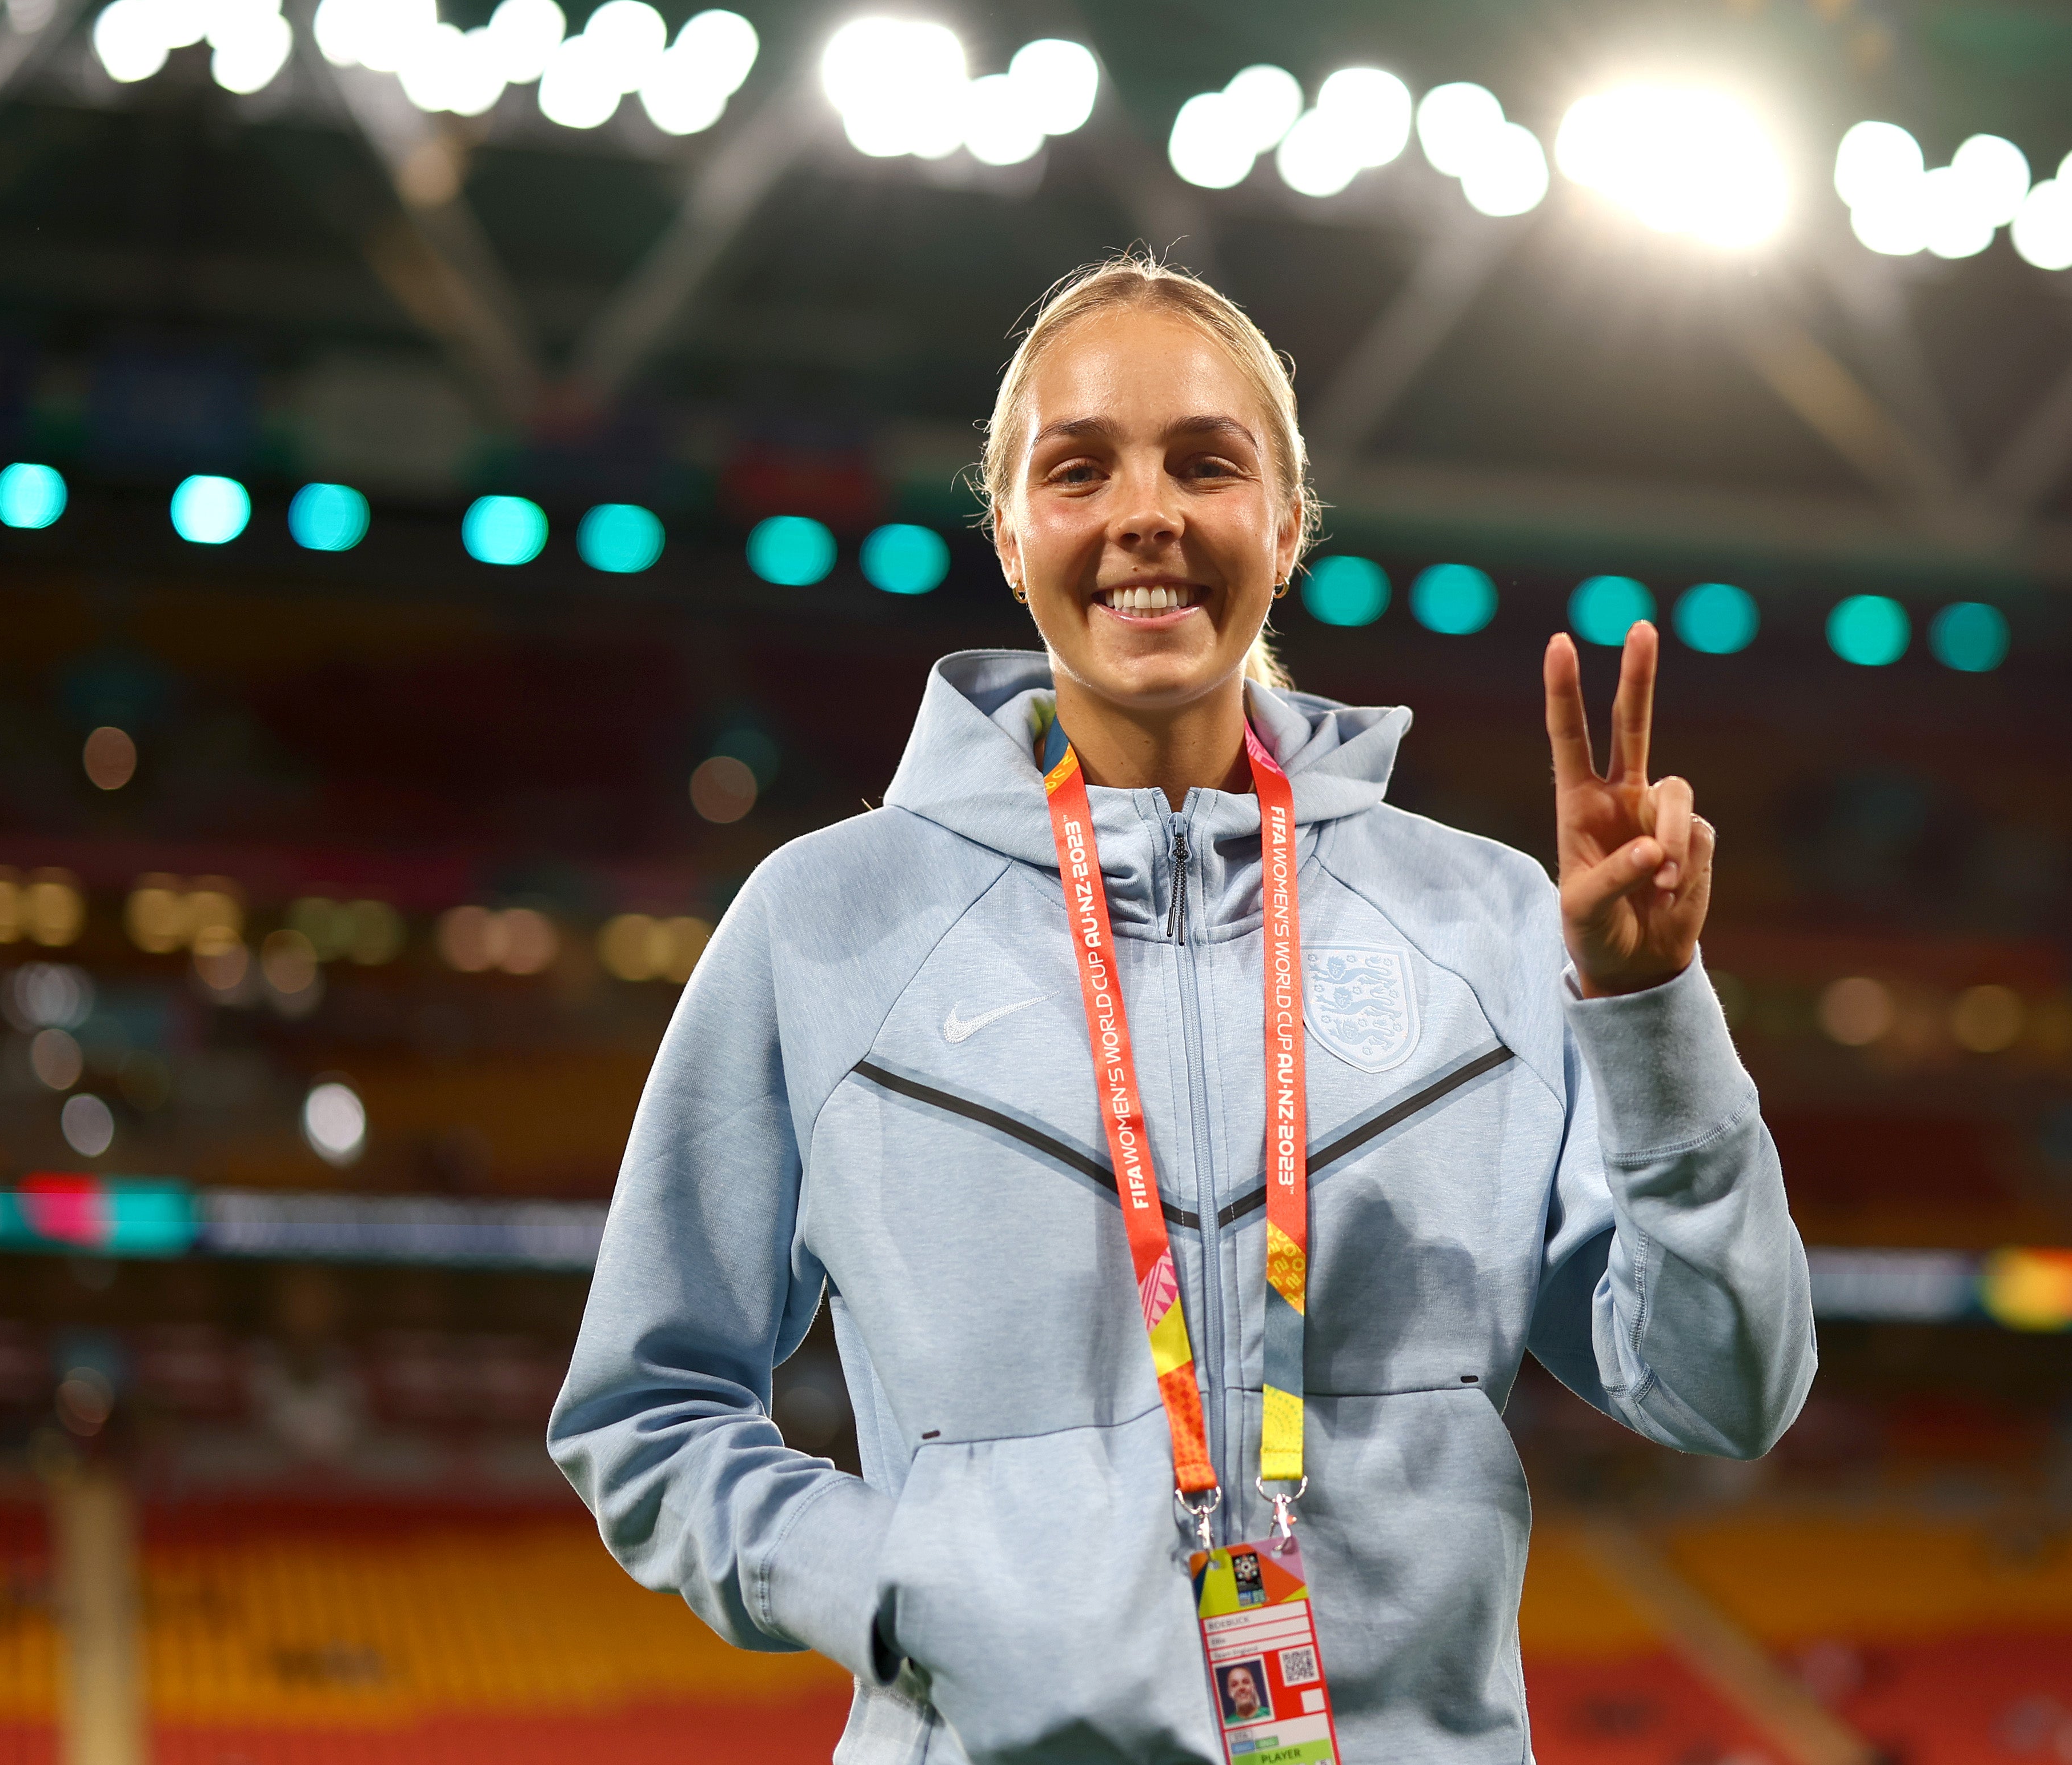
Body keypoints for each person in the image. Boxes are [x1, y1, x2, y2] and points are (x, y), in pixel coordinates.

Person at [549, 253, 1815, 1764]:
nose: (1146, 510)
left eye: (1205, 462)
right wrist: (897, 1582)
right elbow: (643, 1408)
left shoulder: (1482, 921)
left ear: (1285, 524)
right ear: (1009, 534)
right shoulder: (826, 921)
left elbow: (1725, 1389)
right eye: (1078, 468)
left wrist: (1650, 1010)